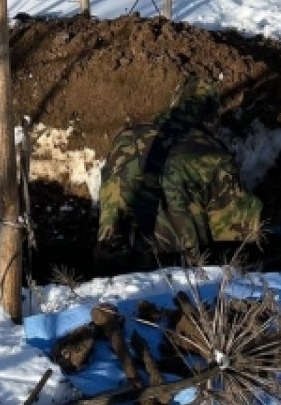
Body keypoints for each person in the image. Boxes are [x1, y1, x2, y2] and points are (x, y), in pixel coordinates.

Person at [95, 77, 263, 272]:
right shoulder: (211, 152)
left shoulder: (125, 138)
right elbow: (236, 233)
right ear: (211, 118)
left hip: (108, 270)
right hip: (174, 276)